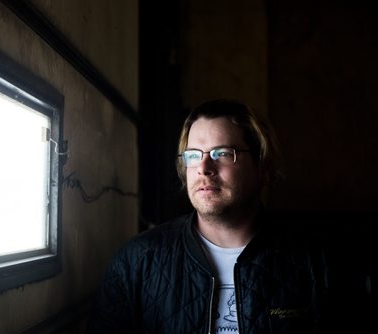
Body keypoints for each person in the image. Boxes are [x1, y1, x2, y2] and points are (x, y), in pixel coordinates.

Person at [86, 99, 330, 334]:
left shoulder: (315, 263)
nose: (203, 168)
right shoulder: (135, 262)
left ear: (262, 168)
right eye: (193, 155)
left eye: (222, 153)